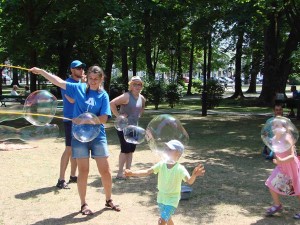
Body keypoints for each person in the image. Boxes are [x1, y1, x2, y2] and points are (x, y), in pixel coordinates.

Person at [29, 65, 120, 215]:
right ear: (87, 78)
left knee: (105, 170)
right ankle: (84, 204)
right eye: (90, 78)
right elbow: (58, 82)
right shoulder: (78, 88)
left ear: (101, 79)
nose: (93, 81)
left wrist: (84, 120)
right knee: (83, 170)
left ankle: (109, 200)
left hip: (98, 137)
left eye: (96, 79)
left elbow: (104, 118)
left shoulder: (103, 95)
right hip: (79, 137)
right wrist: (42, 72)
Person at [125, 140, 205, 225]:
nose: (166, 150)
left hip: (172, 199)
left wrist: (194, 176)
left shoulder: (180, 169)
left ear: (178, 153)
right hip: (161, 198)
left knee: (162, 221)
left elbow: (189, 181)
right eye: (166, 148)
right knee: (168, 219)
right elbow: (147, 171)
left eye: (170, 149)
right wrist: (132, 173)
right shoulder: (161, 164)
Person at [56, 60, 86, 189]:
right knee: (69, 149)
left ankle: (73, 176)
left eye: (82, 68)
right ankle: (61, 179)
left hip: (80, 120)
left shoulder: (81, 83)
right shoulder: (67, 84)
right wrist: (84, 86)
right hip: (70, 120)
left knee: (75, 149)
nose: (81, 70)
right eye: (78, 68)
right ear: (72, 70)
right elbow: (73, 100)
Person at [110, 76, 146, 179]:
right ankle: (120, 173)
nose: (137, 86)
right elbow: (112, 103)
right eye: (135, 84)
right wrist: (119, 116)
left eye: (139, 84)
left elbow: (142, 106)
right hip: (123, 127)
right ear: (131, 85)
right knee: (125, 149)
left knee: (131, 150)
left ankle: (128, 172)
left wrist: (139, 115)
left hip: (134, 128)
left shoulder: (141, 98)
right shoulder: (126, 96)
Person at [265, 118, 300, 219]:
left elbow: (292, 157)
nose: (274, 127)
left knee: (297, 191)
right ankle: (277, 205)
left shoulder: (287, 138)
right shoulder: (274, 138)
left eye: (277, 125)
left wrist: (281, 160)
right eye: (273, 125)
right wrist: (277, 161)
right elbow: (277, 153)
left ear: (284, 128)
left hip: (291, 167)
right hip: (281, 166)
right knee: (270, 182)